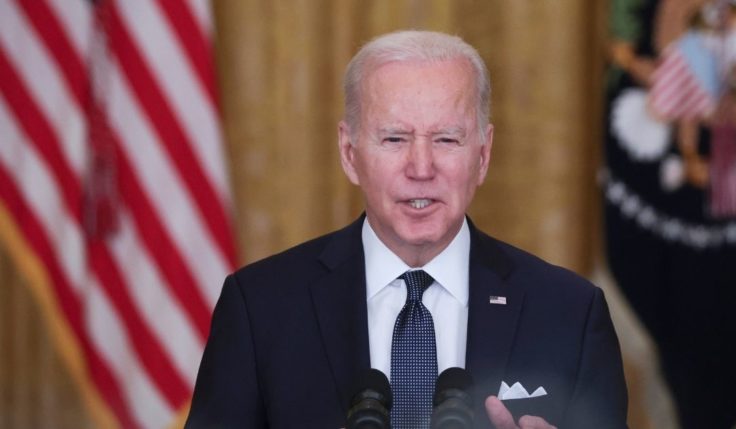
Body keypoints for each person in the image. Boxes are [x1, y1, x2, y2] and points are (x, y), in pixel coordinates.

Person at [186, 30, 628, 429]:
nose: (421, 168)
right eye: (395, 138)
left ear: (483, 155)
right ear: (349, 152)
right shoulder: (261, 307)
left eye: (447, 139)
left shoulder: (569, 313)